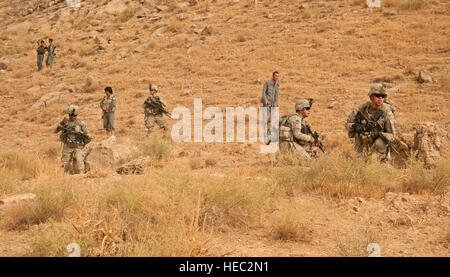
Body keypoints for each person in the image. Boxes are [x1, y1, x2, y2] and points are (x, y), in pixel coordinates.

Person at [345, 83, 396, 163]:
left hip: (378, 148)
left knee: (380, 142)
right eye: (378, 95)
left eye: (383, 96)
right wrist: (355, 126)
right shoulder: (363, 109)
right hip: (363, 144)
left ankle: (380, 163)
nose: (380, 98)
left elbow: (392, 136)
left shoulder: (387, 112)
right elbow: (347, 124)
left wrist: (379, 134)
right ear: (371, 96)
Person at [55, 105, 92, 174]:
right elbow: (55, 130)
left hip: (78, 146)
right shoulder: (65, 122)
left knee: (79, 161)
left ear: (77, 115)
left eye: (74, 115)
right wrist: (60, 125)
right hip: (67, 146)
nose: (72, 117)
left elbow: (88, 135)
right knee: (65, 162)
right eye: (71, 115)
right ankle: (65, 175)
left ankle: (81, 176)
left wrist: (83, 142)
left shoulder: (81, 123)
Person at [261, 71, 280, 136]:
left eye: (278, 76)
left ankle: (269, 131)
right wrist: (265, 100)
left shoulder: (277, 84)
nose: (276, 77)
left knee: (272, 118)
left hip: (273, 104)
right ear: (273, 76)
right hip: (267, 103)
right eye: (275, 76)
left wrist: (276, 103)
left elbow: (277, 95)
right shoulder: (267, 82)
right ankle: (265, 130)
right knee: (267, 117)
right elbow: (263, 92)